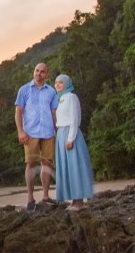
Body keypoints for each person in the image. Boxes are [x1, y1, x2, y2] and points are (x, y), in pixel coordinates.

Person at [14, 62, 58, 210]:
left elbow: (54, 113)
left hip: (48, 132)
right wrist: (20, 131)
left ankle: (45, 196)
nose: (39, 74)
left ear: (47, 75)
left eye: (42, 72)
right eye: (37, 71)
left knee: (47, 164)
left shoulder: (51, 92)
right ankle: (30, 198)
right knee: (31, 164)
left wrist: (57, 130)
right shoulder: (24, 90)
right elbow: (19, 112)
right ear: (34, 71)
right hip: (30, 132)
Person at [53, 74, 94, 209]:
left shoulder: (71, 97)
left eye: (61, 82)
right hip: (61, 135)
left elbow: (74, 120)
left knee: (75, 166)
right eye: (56, 82)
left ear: (66, 84)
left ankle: (79, 201)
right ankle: (74, 200)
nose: (57, 85)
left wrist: (70, 138)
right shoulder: (61, 99)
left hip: (71, 135)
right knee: (66, 168)